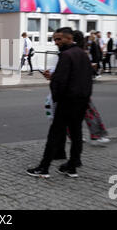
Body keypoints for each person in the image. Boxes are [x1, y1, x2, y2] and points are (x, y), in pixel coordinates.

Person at [27, 27, 93, 178]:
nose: (56, 42)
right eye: (54, 39)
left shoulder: (66, 55)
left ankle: (44, 168)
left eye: (59, 39)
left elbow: (60, 81)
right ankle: (72, 166)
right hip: (81, 100)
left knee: (55, 134)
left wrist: (54, 88)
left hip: (67, 101)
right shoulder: (82, 54)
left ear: (69, 38)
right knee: (76, 133)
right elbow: (86, 78)